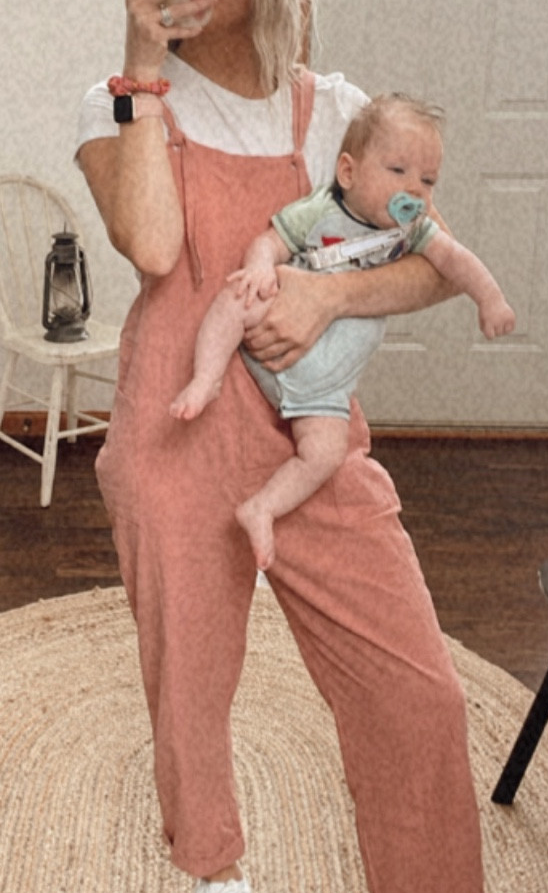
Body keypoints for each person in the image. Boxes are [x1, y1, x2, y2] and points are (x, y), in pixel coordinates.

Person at [75, 0, 493, 893]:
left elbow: (432, 261)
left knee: (417, 695)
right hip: (176, 422)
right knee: (189, 686)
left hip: (310, 436)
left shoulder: (340, 114)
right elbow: (154, 249)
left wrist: (328, 297)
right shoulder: (118, 96)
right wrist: (143, 55)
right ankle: (217, 879)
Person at [170, 92, 515, 570]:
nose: (414, 190)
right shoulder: (321, 209)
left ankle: (263, 508)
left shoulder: (415, 232)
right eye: (398, 171)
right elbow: (270, 241)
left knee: (325, 453)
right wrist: (260, 268)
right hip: (272, 326)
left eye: (428, 180)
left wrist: (491, 299)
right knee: (235, 298)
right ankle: (205, 378)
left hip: (323, 389)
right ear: (349, 172)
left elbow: (457, 261)